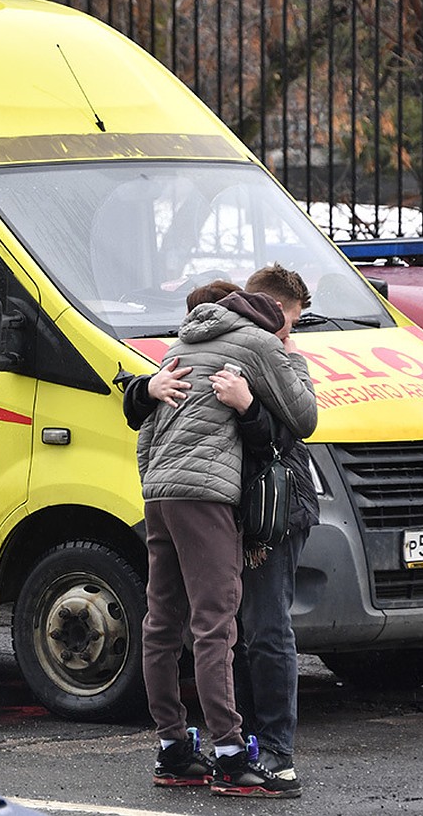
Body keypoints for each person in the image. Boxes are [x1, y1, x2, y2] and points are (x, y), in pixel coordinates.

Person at [123, 275, 317, 798]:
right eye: (288, 319)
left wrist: (156, 484)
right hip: (207, 498)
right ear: (271, 314)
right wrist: (289, 356)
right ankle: (232, 756)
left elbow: (145, 432)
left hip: (159, 493)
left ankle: (173, 750)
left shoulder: (181, 347)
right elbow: (304, 416)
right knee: (216, 625)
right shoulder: (256, 345)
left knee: (162, 623)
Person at [208, 265, 319, 794]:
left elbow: (291, 430)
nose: (288, 337)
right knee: (239, 630)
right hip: (237, 503)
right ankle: (245, 741)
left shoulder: (284, 360)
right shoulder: (242, 345)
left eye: (290, 327)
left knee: (268, 626)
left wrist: (249, 405)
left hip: (277, 506)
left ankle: (277, 750)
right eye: (286, 325)